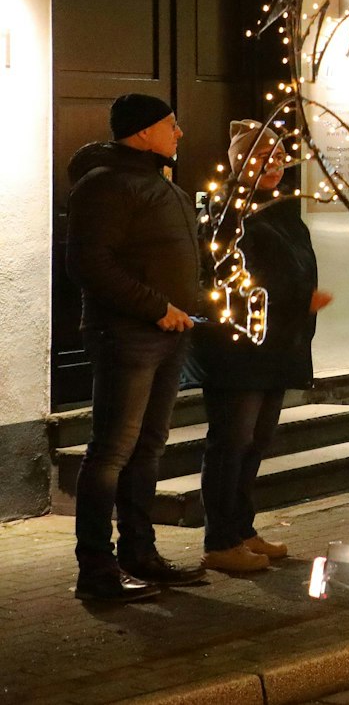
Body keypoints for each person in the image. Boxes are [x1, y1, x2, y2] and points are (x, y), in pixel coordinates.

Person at [65, 93, 210, 602]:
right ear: (144, 131)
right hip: (127, 336)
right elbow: (90, 264)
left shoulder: (158, 182)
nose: (180, 132)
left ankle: (139, 553)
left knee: (148, 448)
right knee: (111, 452)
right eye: (171, 124)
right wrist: (156, 307)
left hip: (168, 334)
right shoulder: (104, 185)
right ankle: (96, 570)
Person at [188, 121, 331, 574]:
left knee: (256, 440)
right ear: (239, 162)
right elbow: (231, 277)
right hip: (240, 344)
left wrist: (301, 305)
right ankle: (220, 540)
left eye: (279, 156)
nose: (274, 164)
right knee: (233, 439)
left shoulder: (280, 207)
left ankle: (242, 528)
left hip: (278, 343)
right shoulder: (228, 211)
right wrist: (295, 299)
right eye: (262, 157)